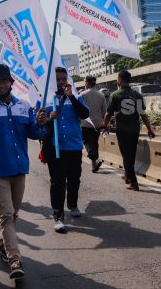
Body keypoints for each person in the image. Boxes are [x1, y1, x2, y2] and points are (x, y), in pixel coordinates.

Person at [0, 64, 47, 279]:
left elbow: (34, 133)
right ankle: (15, 259)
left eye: (4, 81)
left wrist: (41, 123)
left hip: (19, 169)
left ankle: (3, 242)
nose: (1, 85)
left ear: (11, 83)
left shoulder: (24, 106)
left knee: (13, 214)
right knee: (6, 214)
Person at [43, 67, 90, 233]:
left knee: (74, 178)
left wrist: (71, 97)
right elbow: (38, 124)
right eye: (58, 79)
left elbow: (84, 114)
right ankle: (58, 216)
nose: (61, 82)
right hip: (54, 147)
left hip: (73, 146)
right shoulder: (45, 99)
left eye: (64, 79)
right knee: (57, 182)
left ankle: (72, 204)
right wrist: (49, 118)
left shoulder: (75, 97)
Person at [101, 70, 156, 191]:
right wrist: (149, 129)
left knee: (126, 155)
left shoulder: (115, 95)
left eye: (117, 78)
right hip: (134, 129)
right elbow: (143, 114)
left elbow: (108, 114)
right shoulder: (137, 95)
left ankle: (133, 182)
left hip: (122, 130)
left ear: (120, 80)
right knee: (131, 154)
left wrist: (104, 125)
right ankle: (127, 175)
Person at [80, 76, 107, 173]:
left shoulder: (82, 94)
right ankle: (94, 163)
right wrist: (105, 123)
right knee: (94, 142)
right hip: (97, 123)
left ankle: (94, 159)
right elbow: (104, 111)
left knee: (87, 142)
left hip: (85, 123)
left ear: (87, 83)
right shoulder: (101, 95)